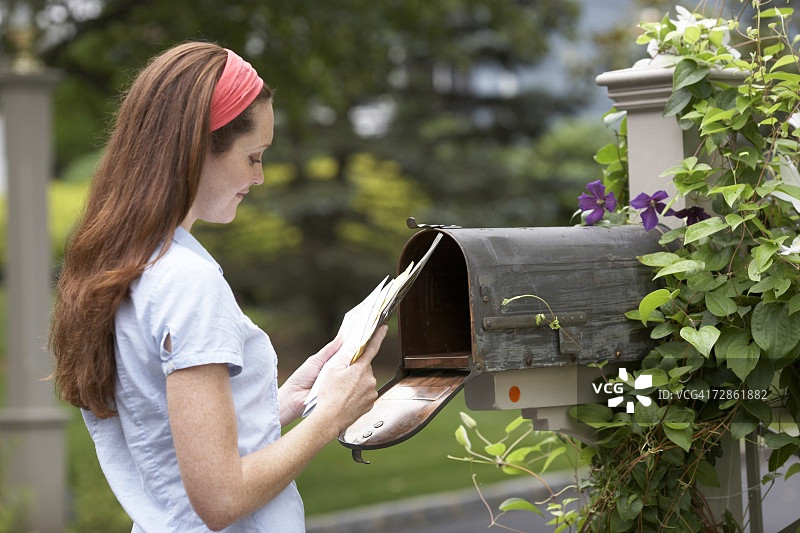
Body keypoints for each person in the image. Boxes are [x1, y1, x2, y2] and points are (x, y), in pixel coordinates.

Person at [49, 41, 385, 532]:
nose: (261, 176)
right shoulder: (187, 282)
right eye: (254, 156)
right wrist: (330, 417)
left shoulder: (134, 263)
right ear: (197, 147)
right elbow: (221, 497)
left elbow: (171, 434)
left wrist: (288, 400)